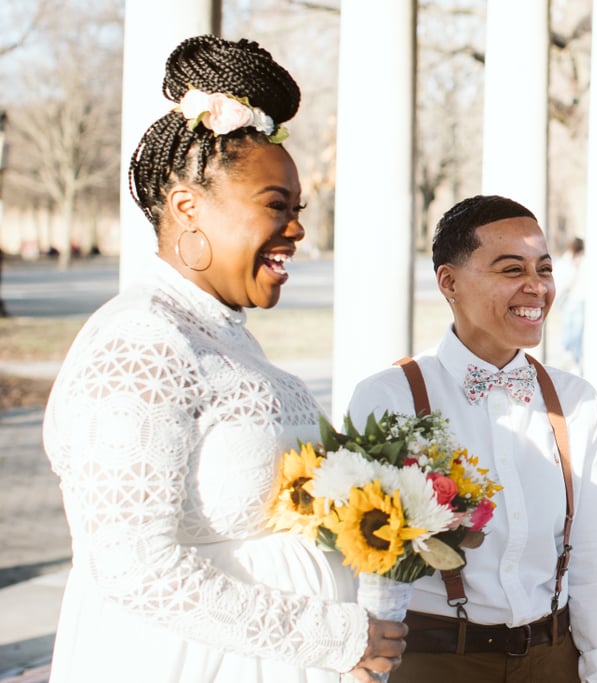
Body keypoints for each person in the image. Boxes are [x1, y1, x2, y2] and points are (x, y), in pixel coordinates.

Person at [42, 35, 406, 683]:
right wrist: (335, 635)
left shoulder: (225, 334)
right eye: (276, 207)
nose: (296, 229)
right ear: (188, 208)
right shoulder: (141, 343)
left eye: (298, 210)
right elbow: (133, 565)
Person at [346, 195, 597, 682]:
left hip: (553, 662)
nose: (536, 287)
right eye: (510, 269)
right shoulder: (389, 398)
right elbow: (359, 565)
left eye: (544, 269)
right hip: (433, 664)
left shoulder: (577, 403)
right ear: (449, 282)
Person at [556, 236, 585, 373]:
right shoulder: (567, 261)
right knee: (571, 329)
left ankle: (575, 358)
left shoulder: (582, 261)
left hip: (577, 299)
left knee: (576, 331)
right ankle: (569, 356)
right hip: (571, 299)